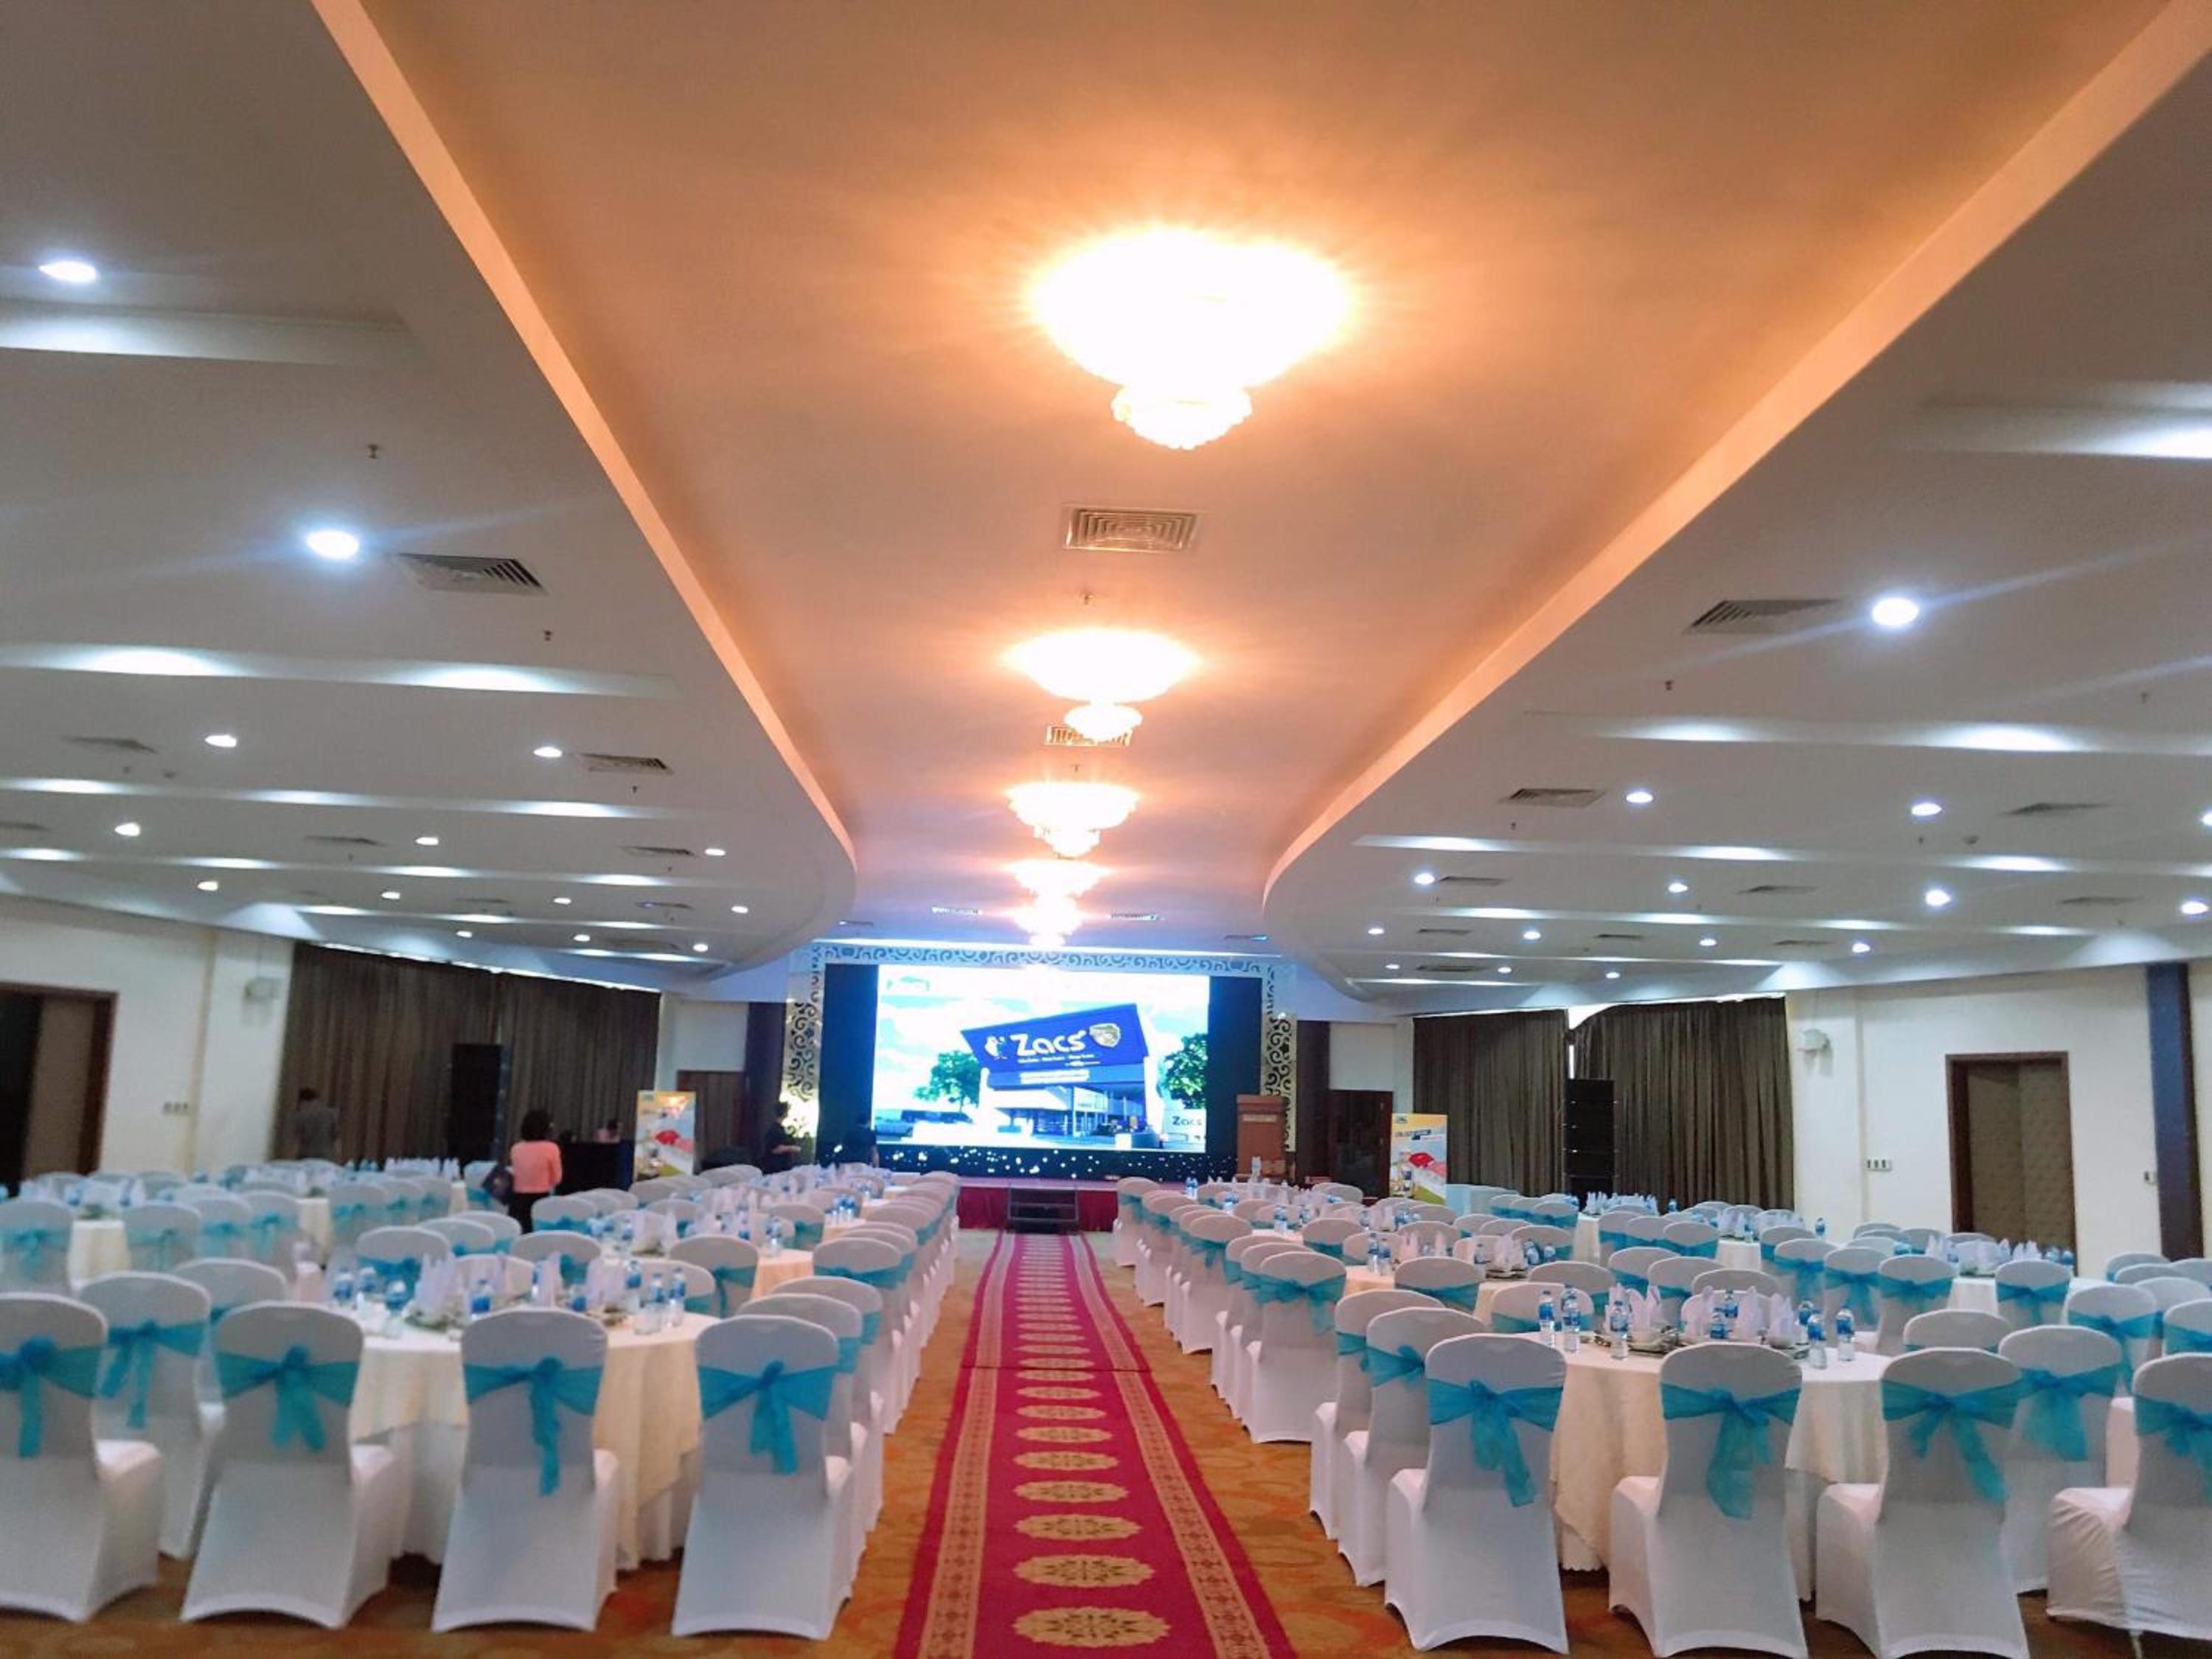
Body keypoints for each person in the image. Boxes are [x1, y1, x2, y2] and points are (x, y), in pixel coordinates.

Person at [507, 1109, 563, 1232]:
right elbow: (557, 1179)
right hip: (540, 1200)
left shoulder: (516, 1148)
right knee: (538, 1238)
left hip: (517, 1201)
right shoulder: (552, 1148)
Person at [290, 1085, 339, 1161]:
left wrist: (294, 1160)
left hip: (306, 1158)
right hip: (327, 1158)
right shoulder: (331, 1114)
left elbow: (297, 1142)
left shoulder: (300, 1116)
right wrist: (337, 1159)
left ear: (303, 1101)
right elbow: (337, 1140)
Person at [759, 1111, 802, 1175]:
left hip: (782, 1169)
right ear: (784, 1114)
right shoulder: (775, 1130)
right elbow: (775, 1149)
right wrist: (792, 1148)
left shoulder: (781, 1129)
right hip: (775, 1169)